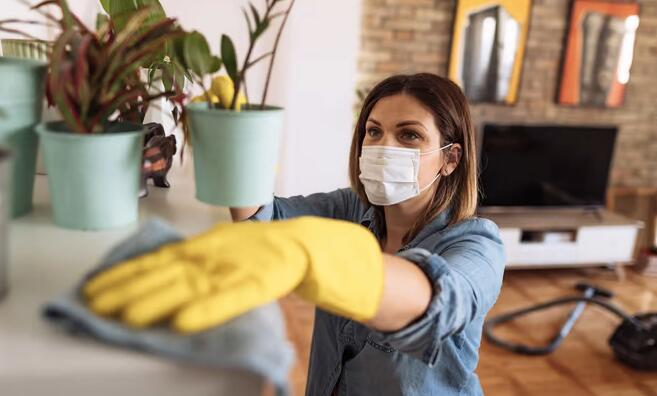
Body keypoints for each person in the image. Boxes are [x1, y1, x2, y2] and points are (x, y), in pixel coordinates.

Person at [83, 73, 506, 396]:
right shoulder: (349, 208)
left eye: (409, 135)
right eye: (373, 131)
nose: (382, 146)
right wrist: (234, 142)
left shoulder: (478, 244)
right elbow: (261, 219)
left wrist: (314, 254)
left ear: (450, 159)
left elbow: (437, 303)